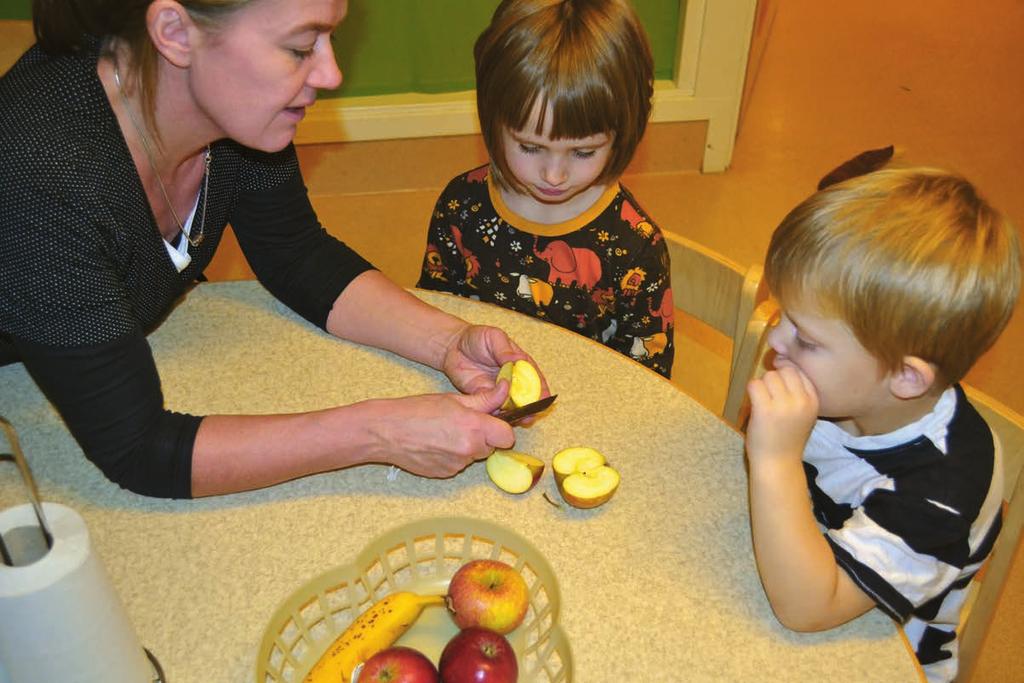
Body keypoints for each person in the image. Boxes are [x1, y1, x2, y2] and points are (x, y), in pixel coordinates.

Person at [0, 0, 548, 500]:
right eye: (300, 48)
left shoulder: (229, 115)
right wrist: (379, 432)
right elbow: (140, 451)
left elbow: (296, 253)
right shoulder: (41, 174)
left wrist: (448, 341)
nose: (331, 74)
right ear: (175, 32)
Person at [745, 167, 1021, 682]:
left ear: (905, 377)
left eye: (805, 336)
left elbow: (808, 609)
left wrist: (775, 458)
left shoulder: (941, 492)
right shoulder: (835, 386)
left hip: (879, 652)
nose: (775, 340)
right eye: (784, 314)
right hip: (789, 571)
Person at [415, 0, 674, 378]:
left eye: (583, 151)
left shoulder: (635, 248)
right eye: (531, 147)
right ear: (492, 119)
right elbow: (431, 316)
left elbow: (648, 383)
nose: (554, 175)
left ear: (624, 133)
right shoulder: (460, 207)